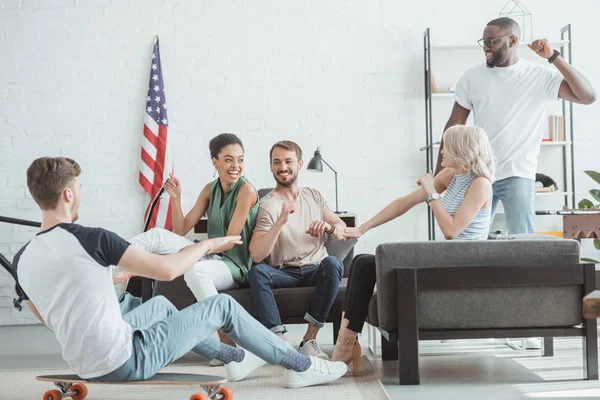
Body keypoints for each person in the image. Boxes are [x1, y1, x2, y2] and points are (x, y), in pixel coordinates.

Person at [13, 156, 347, 388]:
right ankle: (302, 366)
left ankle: (233, 356)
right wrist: (206, 246)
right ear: (68, 193)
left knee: (160, 306)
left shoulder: (23, 257)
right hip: (126, 359)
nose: (81, 193)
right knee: (222, 306)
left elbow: (47, 314)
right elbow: (169, 270)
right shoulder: (91, 238)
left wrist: (102, 281)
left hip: (82, 362)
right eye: (80, 187)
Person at [332, 125, 495, 374]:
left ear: (462, 149)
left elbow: (451, 231)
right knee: (363, 262)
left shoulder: (481, 184)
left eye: (446, 146)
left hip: (464, 264)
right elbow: (403, 203)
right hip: (446, 258)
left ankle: (344, 349)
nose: (441, 152)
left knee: (365, 263)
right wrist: (362, 228)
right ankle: (345, 344)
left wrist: (431, 193)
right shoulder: (450, 175)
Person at [435, 17, 596, 235]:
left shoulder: (539, 75)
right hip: (479, 173)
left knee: (522, 243)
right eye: (483, 42)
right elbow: (454, 126)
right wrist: (439, 176)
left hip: (518, 172)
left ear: (512, 40)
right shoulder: (472, 77)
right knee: (468, 238)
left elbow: (587, 96)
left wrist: (553, 57)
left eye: (491, 41)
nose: (485, 47)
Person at [130, 133, 258, 355]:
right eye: (228, 159)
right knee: (157, 235)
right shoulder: (210, 189)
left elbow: (230, 241)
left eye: (240, 159)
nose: (236, 166)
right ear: (215, 162)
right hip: (210, 253)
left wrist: (194, 250)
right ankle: (107, 261)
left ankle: (226, 342)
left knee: (195, 271)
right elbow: (181, 229)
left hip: (233, 265)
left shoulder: (246, 191)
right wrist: (176, 198)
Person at [248, 141, 347, 360]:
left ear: (300, 164)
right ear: (271, 167)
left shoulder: (313, 195)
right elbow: (256, 254)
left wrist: (329, 227)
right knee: (257, 272)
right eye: (277, 162)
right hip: (285, 272)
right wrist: (281, 221)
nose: (282, 167)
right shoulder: (268, 205)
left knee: (333, 263)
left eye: (288, 161)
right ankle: (279, 342)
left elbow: (343, 230)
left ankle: (309, 340)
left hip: (316, 269)